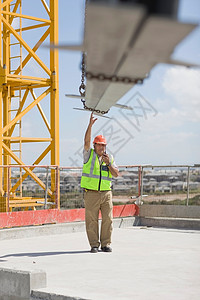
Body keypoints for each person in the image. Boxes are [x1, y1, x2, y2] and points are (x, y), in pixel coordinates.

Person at [81, 112, 119, 253]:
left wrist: (109, 164)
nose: (102, 148)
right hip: (91, 194)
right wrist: (90, 125)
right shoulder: (88, 155)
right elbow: (85, 142)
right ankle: (94, 245)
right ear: (94, 145)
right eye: (99, 145)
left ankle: (105, 244)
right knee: (91, 220)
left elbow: (116, 174)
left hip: (106, 193)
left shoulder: (110, 158)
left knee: (108, 219)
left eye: (103, 145)